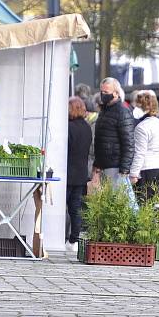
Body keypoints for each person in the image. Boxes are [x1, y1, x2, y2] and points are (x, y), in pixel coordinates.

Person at [92, 77, 135, 185]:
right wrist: (97, 164)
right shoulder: (104, 111)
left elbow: (128, 143)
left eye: (106, 92)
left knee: (115, 199)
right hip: (104, 166)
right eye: (101, 91)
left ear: (116, 93)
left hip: (115, 166)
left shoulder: (122, 112)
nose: (102, 94)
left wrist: (124, 169)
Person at [66, 97, 92, 252]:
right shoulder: (87, 127)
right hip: (81, 173)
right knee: (76, 208)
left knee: (65, 209)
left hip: (68, 172)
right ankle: (74, 239)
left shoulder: (69, 128)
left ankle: (62, 237)